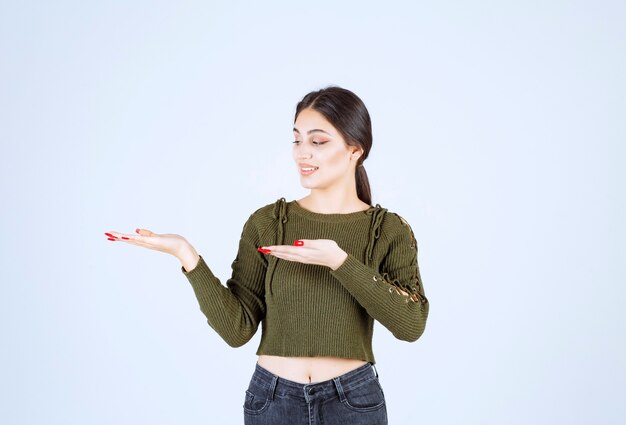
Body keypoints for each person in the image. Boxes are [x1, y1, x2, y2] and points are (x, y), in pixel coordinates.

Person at [104, 86, 429, 424]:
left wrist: (339, 262)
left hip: (352, 402)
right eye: (297, 140)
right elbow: (237, 329)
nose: (302, 153)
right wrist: (185, 254)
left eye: (317, 142)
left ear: (355, 151)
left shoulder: (387, 229)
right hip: (273, 400)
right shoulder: (268, 223)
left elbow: (411, 324)